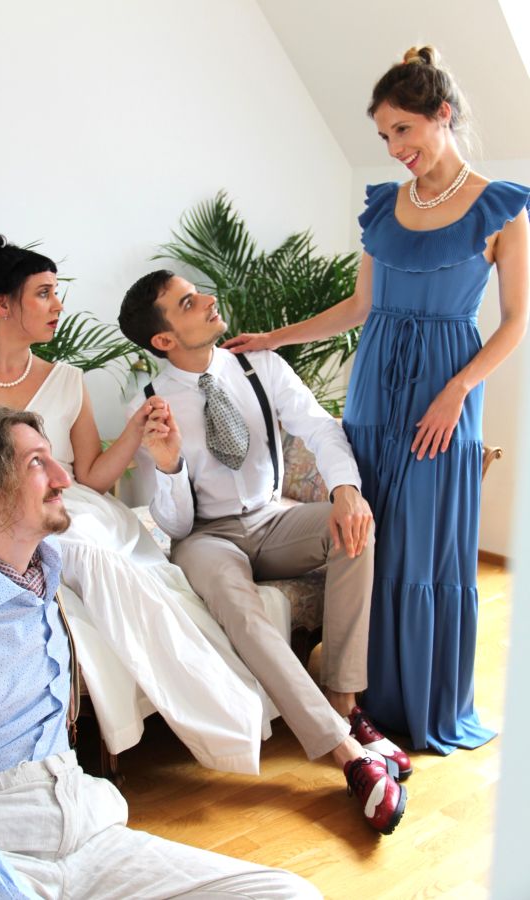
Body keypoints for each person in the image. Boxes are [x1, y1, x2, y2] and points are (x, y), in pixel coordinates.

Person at [223, 46, 530, 754]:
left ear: (442, 115)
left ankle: (423, 702)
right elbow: (359, 307)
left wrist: (458, 391)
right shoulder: (385, 207)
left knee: (423, 545)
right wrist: (275, 337)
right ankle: (361, 701)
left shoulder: (500, 210)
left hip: (443, 396)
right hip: (374, 393)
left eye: (403, 130)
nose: (395, 149)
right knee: (370, 538)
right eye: (386, 136)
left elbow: (516, 322)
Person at [0, 407, 322, 900]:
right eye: (36, 464)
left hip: (91, 830)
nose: (63, 479)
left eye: (54, 460)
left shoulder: (48, 579)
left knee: (288, 894)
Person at [0, 233, 282, 777]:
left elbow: (91, 475)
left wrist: (138, 430)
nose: (58, 304)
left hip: (65, 505)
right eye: (43, 293)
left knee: (94, 556)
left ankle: (223, 712)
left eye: (56, 292)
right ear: (3, 303)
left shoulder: (68, 381)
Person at [119, 268, 410, 836]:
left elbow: (320, 429)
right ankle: (346, 752)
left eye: (199, 291)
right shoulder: (147, 404)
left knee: (355, 529)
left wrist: (345, 491)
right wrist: (171, 465)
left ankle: (344, 700)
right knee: (240, 606)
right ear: (163, 338)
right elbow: (172, 522)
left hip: (272, 517)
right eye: (188, 302)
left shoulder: (260, 366)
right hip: (206, 537)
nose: (209, 299)